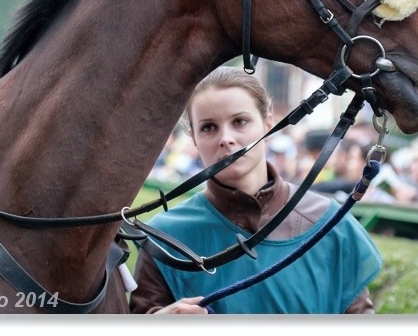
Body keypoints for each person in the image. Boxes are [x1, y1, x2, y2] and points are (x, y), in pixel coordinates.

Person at [129, 66, 382, 314]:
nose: (225, 138)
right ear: (194, 138)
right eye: (208, 127)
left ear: (268, 123)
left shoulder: (331, 223)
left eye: (240, 121)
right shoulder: (163, 238)